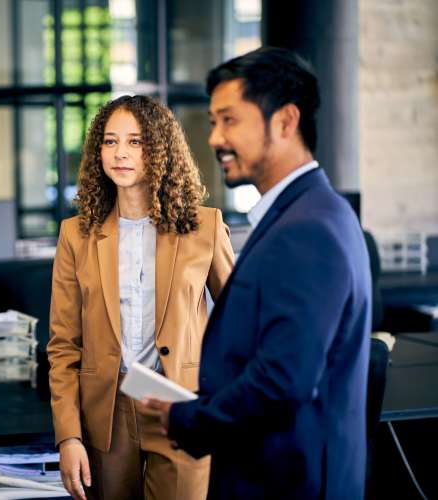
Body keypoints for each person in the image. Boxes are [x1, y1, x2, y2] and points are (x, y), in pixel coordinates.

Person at [144, 47, 372, 499]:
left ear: (286, 121)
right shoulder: (306, 213)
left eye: (230, 120)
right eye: (213, 122)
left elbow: (283, 380)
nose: (214, 138)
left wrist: (186, 418)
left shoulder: (307, 228)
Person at [48, 94, 234, 500]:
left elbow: (241, 325)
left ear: (160, 149)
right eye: (111, 141)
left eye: (135, 141)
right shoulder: (75, 235)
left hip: (180, 405)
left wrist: (219, 402)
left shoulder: (204, 226)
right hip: (107, 415)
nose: (120, 153)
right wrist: (68, 438)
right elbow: (64, 347)